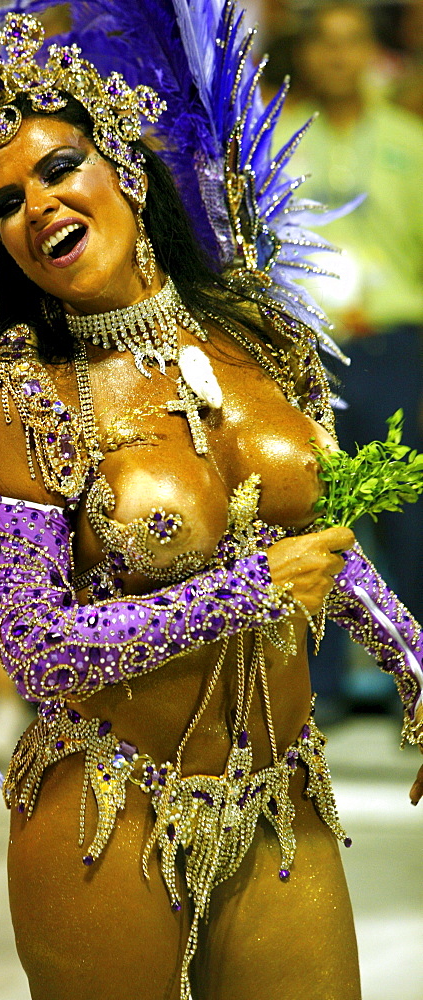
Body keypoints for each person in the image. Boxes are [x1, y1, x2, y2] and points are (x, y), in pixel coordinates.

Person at [0, 3, 422, 999]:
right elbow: (30, 642)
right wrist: (243, 593)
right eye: (6, 199)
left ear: (126, 168)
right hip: (105, 809)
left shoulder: (261, 335)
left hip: (280, 795)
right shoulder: (29, 396)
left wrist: (414, 664)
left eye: (58, 168)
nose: (36, 206)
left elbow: (314, 547)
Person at [276, 1, 423, 715]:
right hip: (305, 350)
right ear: (306, 55)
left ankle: (416, 675)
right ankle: (319, 684)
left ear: (371, 51)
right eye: (325, 44)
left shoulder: (411, 142)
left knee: (409, 517)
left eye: (351, 42)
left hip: (394, 348)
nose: (338, 56)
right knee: (309, 514)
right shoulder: (275, 143)